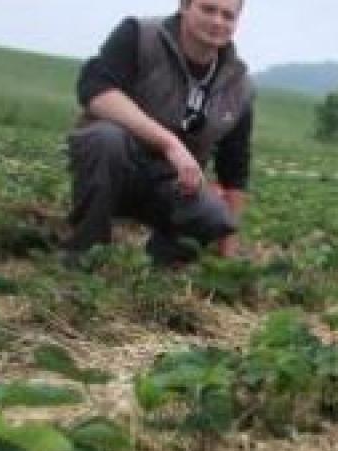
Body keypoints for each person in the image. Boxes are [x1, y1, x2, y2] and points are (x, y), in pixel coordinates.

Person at [63, 0, 253, 267]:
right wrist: (169, 143)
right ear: (185, 6)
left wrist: (229, 250)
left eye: (227, 15)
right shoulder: (139, 35)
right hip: (116, 164)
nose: (217, 21)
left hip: (171, 184)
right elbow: (97, 92)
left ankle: (157, 273)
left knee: (215, 215)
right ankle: (84, 253)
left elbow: (235, 169)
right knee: (106, 139)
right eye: (208, 9)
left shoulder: (239, 86)